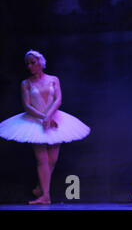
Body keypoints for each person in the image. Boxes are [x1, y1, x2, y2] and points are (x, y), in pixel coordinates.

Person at [0, 50, 91, 205]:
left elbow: (58, 99)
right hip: (35, 121)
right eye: (28, 63)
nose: (30, 66)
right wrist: (43, 118)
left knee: (52, 159)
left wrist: (49, 117)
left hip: (55, 119)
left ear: (40, 63)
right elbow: (27, 105)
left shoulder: (53, 79)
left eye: (33, 62)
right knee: (42, 159)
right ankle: (46, 196)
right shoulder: (26, 83)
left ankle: (40, 188)